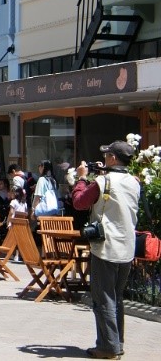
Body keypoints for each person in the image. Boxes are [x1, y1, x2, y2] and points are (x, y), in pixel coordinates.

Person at [71, 141, 139, 360]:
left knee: (103, 298)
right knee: (116, 298)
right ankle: (117, 343)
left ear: (113, 158)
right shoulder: (134, 181)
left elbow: (79, 202)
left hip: (106, 246)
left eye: (107, 155)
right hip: (127, 246)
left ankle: (108, 347)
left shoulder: (104, 181)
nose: (105, 158)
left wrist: (82, 178)